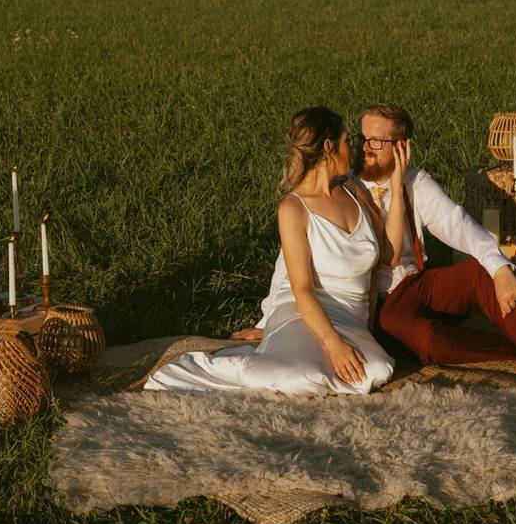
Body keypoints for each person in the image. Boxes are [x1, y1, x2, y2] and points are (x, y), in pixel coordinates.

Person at [232, 103, 516, 398]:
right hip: (374, 308)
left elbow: (458, 225)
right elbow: (293, 263)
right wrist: (269, 322)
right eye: (362, 138)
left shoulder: (417, 184)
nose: (365, 148)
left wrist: (499, 267)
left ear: (401, 147)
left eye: (376, 142)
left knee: (479, 272)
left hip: (414, 286)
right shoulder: (338, 187)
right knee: (428, 341)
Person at [144, 106, 405, 395]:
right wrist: (334, 345)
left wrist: (397, 181)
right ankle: (233, 364)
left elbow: (388, 255)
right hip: (302, 311)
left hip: (350, 317)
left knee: (379, 370)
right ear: (329, 147)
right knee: (302, 376)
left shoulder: (355, 192)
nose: (352, 149)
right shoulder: (293, 208)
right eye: (346, 141)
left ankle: (293, 354)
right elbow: (302, 289)